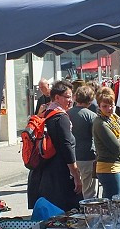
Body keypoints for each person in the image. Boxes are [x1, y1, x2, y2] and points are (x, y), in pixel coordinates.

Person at [26, 80, 82, 212]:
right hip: (59, 177)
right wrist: (75, 174)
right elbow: (67, 146)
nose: (71, 101)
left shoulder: (44, 113)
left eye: (71, 97)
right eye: (67, 97)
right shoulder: (60, 117)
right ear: (57, 97)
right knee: (67, 218)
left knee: (49, 218)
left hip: (43, 174)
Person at [92, 87, 120, 198]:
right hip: (108, 167)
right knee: (112, 200)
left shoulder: (113, 117)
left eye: (111, 105)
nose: (109, 109)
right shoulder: (101, 123)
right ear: (99, 106)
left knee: (110, 200)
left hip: (115, 165)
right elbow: (117, 147)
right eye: (105, 106)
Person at [69, 85, 98, 200]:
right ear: (90, 101)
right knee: (89, 191)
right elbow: (96, 138)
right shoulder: (92, 116)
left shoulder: (66, 114)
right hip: (88, 156)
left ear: (76, 98)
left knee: (74, 188)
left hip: (71, 157)